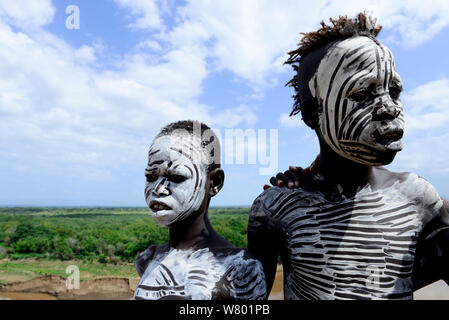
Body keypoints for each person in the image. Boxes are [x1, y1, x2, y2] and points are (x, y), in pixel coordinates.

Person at [248, 13, 449, 300]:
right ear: (311, 113)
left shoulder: (420, 200)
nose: (388, 108)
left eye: (394, 91)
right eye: (363, 93)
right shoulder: (275, 209)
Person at [134, 120, 266, 300]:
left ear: (214, 183)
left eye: (176, 176)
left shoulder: (239, 269)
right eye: (151, 176)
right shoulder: (149, 258)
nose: (158, 189)